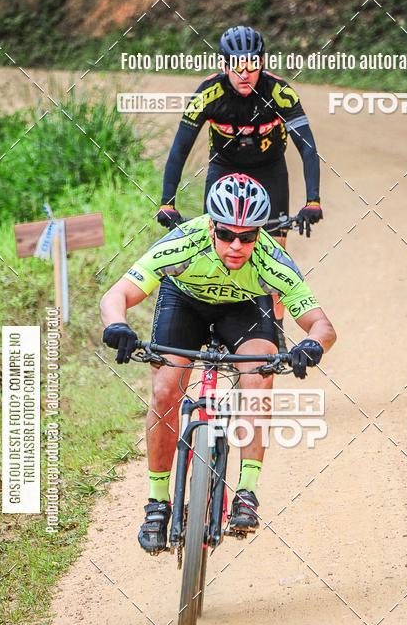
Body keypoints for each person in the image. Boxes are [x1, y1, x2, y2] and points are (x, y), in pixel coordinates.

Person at [100, 174, 336, 554]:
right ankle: (157, 503)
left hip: (244, 309)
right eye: (227, 234)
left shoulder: (272, 261)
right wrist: (117, 325)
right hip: (185, 304)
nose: (237, 245)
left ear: (260, 234)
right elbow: (118, 294)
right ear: (211, 226)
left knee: (258, 378)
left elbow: (321, 324)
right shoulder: (183, 242)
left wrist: (311, 344)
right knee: (164, 391)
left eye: (248, 236)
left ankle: (246, 492)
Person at [157, 25, 323, 348]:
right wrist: (167, 201)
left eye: (252, 65)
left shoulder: (280, 93)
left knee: (274, 251)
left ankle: (273, 329)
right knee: (217, 243)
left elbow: (307, 147)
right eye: (236, 66)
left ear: (262, 63)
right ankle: (213, 318)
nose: (244, 73)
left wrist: (313, 199)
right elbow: (179, 149)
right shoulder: (208, 93)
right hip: (224, 168)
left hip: (269, 171)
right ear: (224, 65)